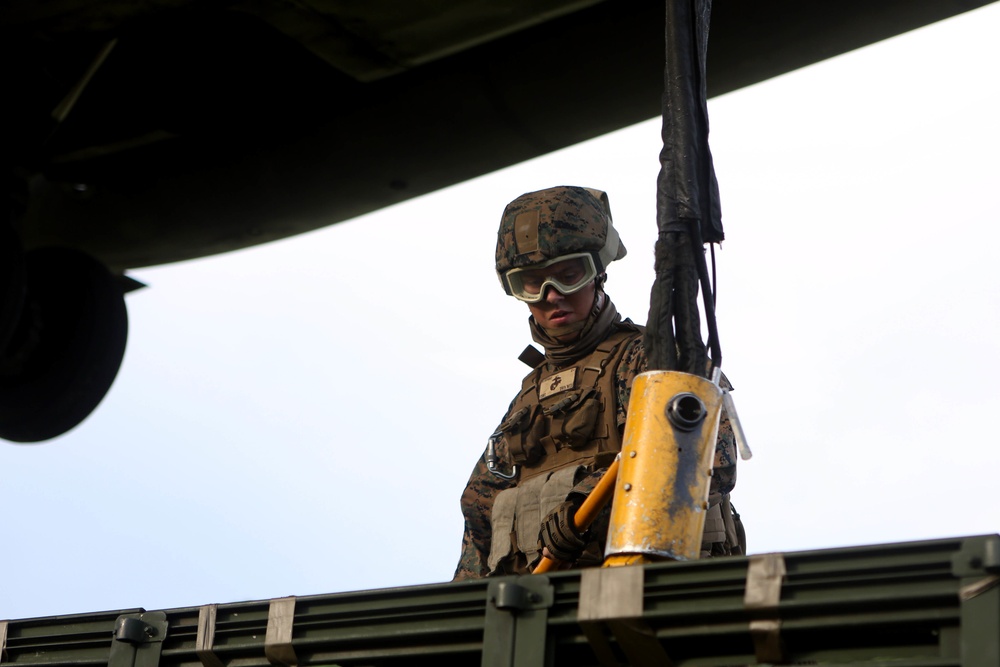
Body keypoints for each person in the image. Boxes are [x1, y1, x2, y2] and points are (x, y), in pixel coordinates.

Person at [453, 185, 744, 580]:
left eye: (569, 276)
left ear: (598, 273)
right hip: (541, 614)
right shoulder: (525, 403)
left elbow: (711, 460)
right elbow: (479, 520)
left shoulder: (656, 360)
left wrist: (589, 504)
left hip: (647, 593)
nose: (552, 296)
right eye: (532, 283)